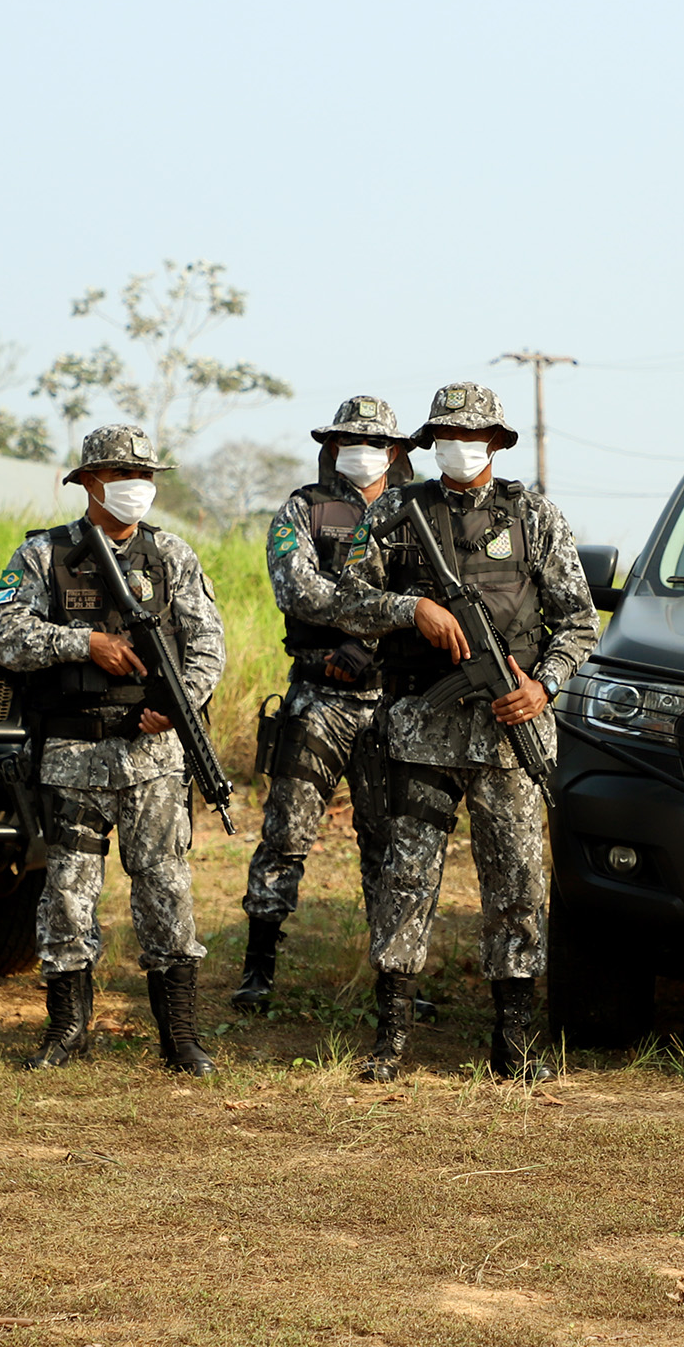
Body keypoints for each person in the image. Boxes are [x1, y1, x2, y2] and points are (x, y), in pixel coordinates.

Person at [329, 382, 598, 1082]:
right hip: (420, 731)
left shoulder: (534, 516)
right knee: (406, 879)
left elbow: (577, 622)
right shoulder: (394, 511)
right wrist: (411, 606)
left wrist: (544, 687)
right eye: (446, 432)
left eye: (473, 433)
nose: (460, 444)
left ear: (498, 443)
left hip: (510, 738)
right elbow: (347, 603)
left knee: (515, 882)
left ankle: (514, 1043)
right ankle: (391, 1039)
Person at [0, 425, 229, 1075]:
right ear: (91, 482)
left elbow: (208, 646)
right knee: (67, 893)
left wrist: (176, 707)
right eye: (124, 476)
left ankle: (180, 1038)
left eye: (146, 476)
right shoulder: (43, 555)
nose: (138, 488)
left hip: (154, 758)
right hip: (72, 752)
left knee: (165, 890)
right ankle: (67, 1032)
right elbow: (5, 635)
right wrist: (83, 644)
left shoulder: (171, 555)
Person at [232, 395, 414, 1012]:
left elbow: (435, 601)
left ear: (395, 451)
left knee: (389, 840)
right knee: (286, 833)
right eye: (348, 441)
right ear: (332, 448)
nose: (361, 453)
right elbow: (295, 588)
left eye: (374, 442)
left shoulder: (417, 514)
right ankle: (258, 970)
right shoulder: (304, 509)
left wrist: (368, 646)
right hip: (318, 695)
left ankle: (394, 981)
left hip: (393, 700)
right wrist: (364, 629)